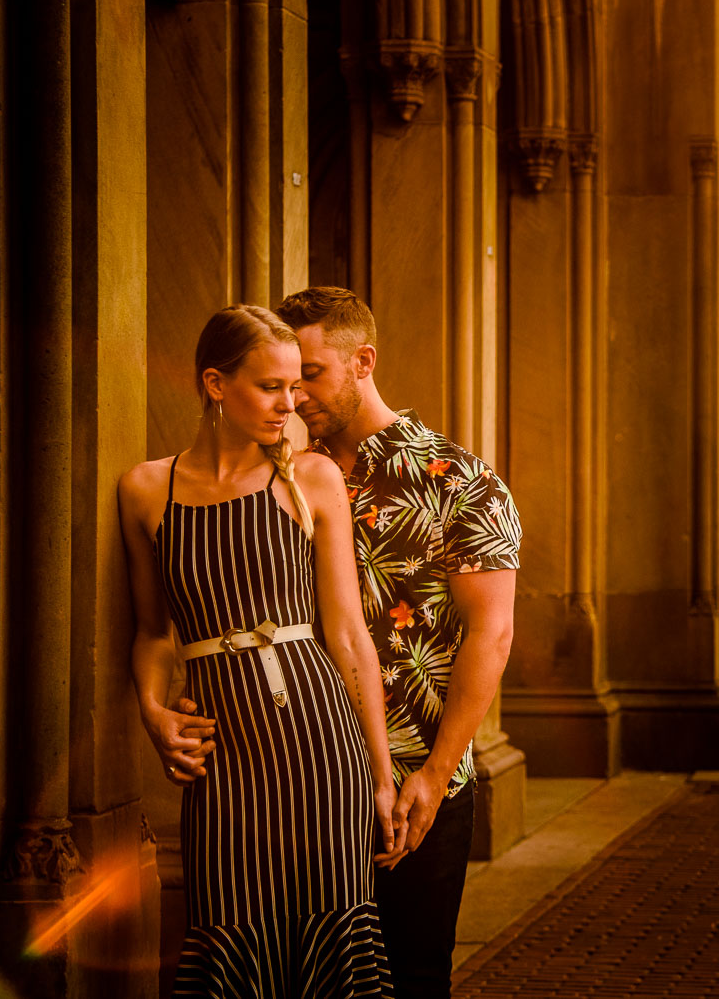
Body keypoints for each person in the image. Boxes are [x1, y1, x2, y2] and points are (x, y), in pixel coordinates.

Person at [119, 304, 402, 996]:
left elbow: (348, 636)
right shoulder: (147, 490)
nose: (292, 401)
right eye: (271, 385)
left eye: (297, 383)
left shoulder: (310, 480)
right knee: (228, 934)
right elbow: (156, 634)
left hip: (320, 743)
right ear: (216, 384)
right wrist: (154, 714)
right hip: (225, 760)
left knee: (336, 941)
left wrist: (381, 770)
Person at [276, 286, 520, 999]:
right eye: (284, 380)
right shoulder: (281, 478)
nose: (295, 397)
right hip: (300, 773)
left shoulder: (461, 480)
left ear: (363, 362)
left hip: (419, 776)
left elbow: (492, 634)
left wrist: (436, 777)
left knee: (410, 980)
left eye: (310, 375)